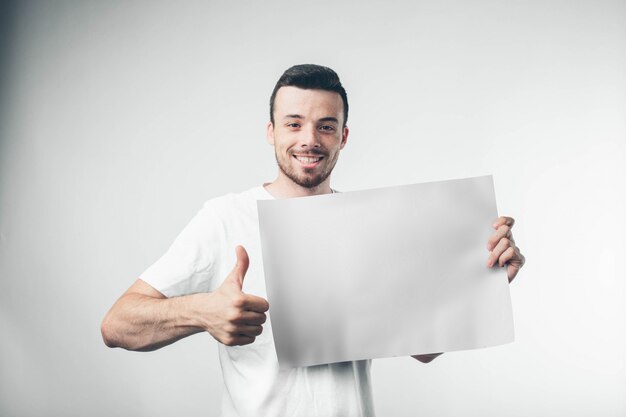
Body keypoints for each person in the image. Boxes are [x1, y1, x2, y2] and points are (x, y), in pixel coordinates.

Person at [101, 64, 525, 416]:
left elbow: (423, 351)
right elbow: (117, 325)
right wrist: (201, 312)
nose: (309, 140)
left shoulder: (372, 226)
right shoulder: (224, 217)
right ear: (271, 132)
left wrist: (480, 282)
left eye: (326, 126)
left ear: (343, 137)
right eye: (294, 124)